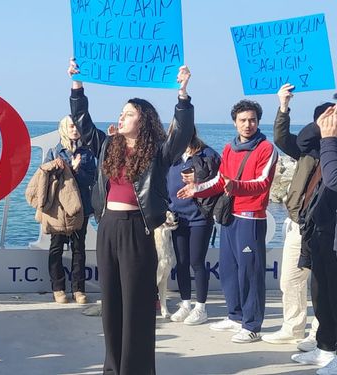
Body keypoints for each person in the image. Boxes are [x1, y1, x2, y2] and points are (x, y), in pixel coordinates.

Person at [69, 58, 194, 374]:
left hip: (138, 230)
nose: (121, 117)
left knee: (137, 304)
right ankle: (112, 368)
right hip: (108, 226)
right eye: (121, 113)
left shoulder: (157, 151)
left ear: (143, 119)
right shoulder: (108, 145)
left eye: (128, 113)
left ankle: (135, 369)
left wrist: (182, 93)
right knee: (110, 304)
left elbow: (182, 134)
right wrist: (77, 85)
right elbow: (83, 123)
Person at [178, 99, 278, 344]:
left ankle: (252, 325)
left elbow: (262, 182)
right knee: (229, 269)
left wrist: (236, 186)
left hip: (251, 218)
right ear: (234, 122)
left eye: (252, 120)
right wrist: (196, 189)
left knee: (250, 272)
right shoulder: (228, 149)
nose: (248, 124)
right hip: (229, 217)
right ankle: (235, 315)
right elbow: (220, 181)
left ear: (258, 121)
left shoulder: (266, 148)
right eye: (243, 120)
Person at [263, 84, 329, 349]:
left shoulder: (331, 154)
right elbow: (282, 138)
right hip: (295, 221)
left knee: (322, 282)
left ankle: (320, 333)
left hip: (324, 226)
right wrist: (283, 106)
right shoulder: (306, 151)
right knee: (290, 279)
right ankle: (293, 326)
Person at [291, 104, 337, 373]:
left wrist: (330, 140)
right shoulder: (328, 141)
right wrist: (322, 122)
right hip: (323, 229)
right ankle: (325, 348)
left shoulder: (331, 145)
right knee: (322, 293)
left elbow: (333, 180)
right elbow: (303, 141)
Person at [166, 127, 220, 325]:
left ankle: (201, 307)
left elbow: (219, 181)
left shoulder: (208, 154)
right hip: (177, 218)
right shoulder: (171, 156)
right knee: (181, 262)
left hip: (200, 217)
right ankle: (185, 303)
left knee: (196, 262)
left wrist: (198, 180)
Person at [43, 115, 96, 304]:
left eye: (77, 126)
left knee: (78, 248)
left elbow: (91, 179)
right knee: (56, 247)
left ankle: (78, 289)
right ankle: (57, 287)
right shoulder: (55, 152)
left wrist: (77, 170)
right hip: (58, 209)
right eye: (71, 126)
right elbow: (46, 180)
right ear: (64, 128)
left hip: (80, 207)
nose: (75, 129)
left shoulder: (88, 153)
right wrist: (66, 170)